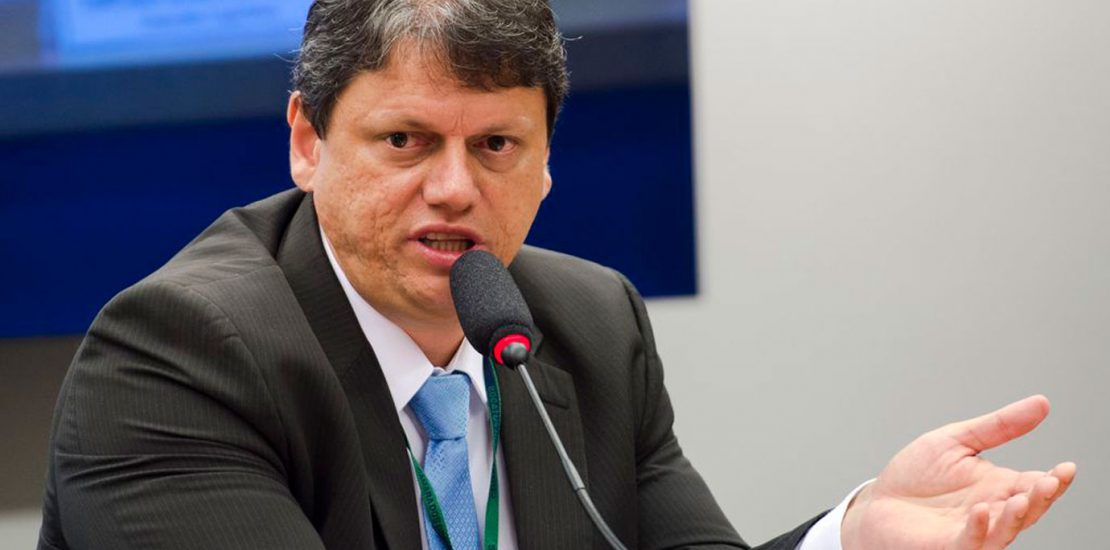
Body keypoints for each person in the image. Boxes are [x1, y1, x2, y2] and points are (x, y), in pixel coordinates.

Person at [37, 1, 1075, 549]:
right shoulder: (178, 355)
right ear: (307, 142)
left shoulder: (587, 322)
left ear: (544, 164)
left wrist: (852, 539)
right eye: (405, 141)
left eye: (496, 146)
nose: (454, 189)